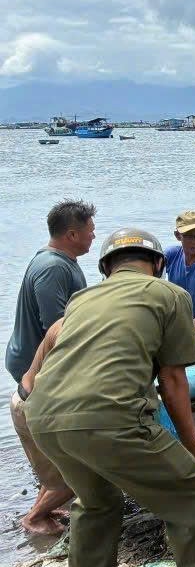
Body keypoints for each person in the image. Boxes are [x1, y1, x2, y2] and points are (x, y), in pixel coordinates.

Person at [22, 228, 195, 567]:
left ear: (105, 268)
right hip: (110, 417)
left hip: (44, 417)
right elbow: (173, 379)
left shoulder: (81, 300)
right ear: (159, 265)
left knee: (96, 504)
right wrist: (193, 443)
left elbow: (35, 377)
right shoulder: (169, 295)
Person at [6, 200, 96, 536]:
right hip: (37, 367)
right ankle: (39, 514)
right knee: (69, 456)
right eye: (89, 229)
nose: (93, 235)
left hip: (32, 369)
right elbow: (56, 328)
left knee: (52, 455)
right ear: (72, 233)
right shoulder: (53, 268)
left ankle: (52, 501)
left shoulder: (63, 262)